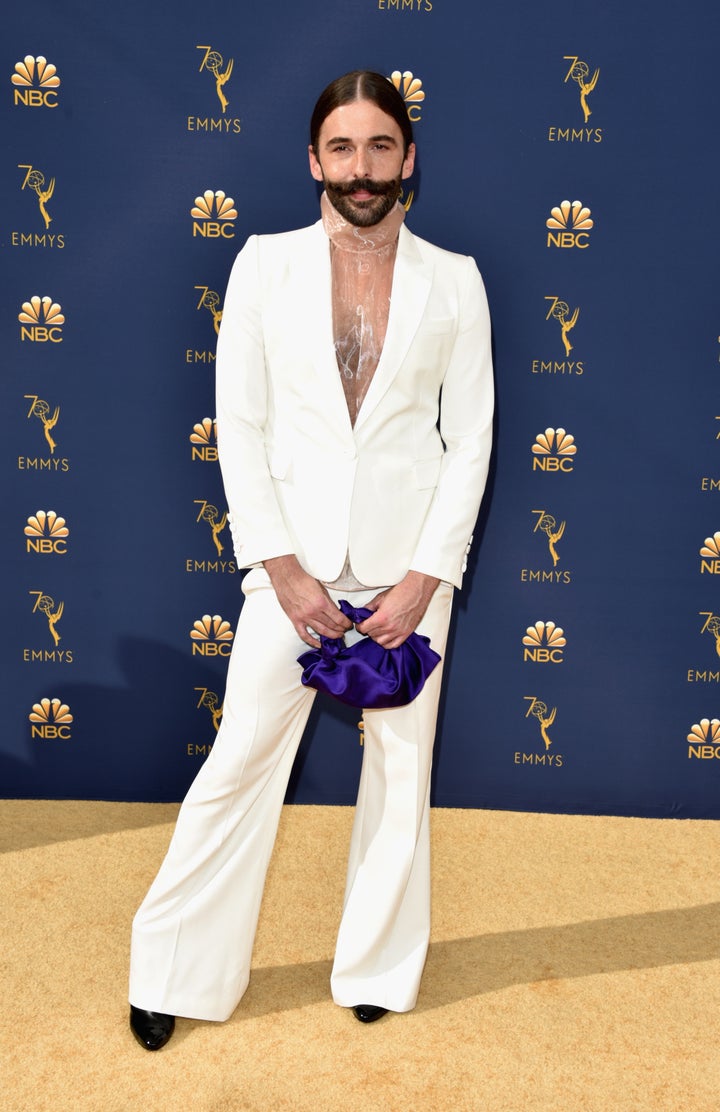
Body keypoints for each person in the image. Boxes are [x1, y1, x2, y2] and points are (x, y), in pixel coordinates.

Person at [129, 69, 494, 1051]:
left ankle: (376, 965)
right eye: (343, 148)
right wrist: (280, 568)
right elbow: (239, 425)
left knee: (400, 768)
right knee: (241, 759)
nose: (362, 168)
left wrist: (427, 578)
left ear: (408, 158)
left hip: (407, 569)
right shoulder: (263, 266)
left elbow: (471, 441)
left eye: (381, 146)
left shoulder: (455, 282)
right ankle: (174, 968)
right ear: (314, 160)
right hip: (289, 571)